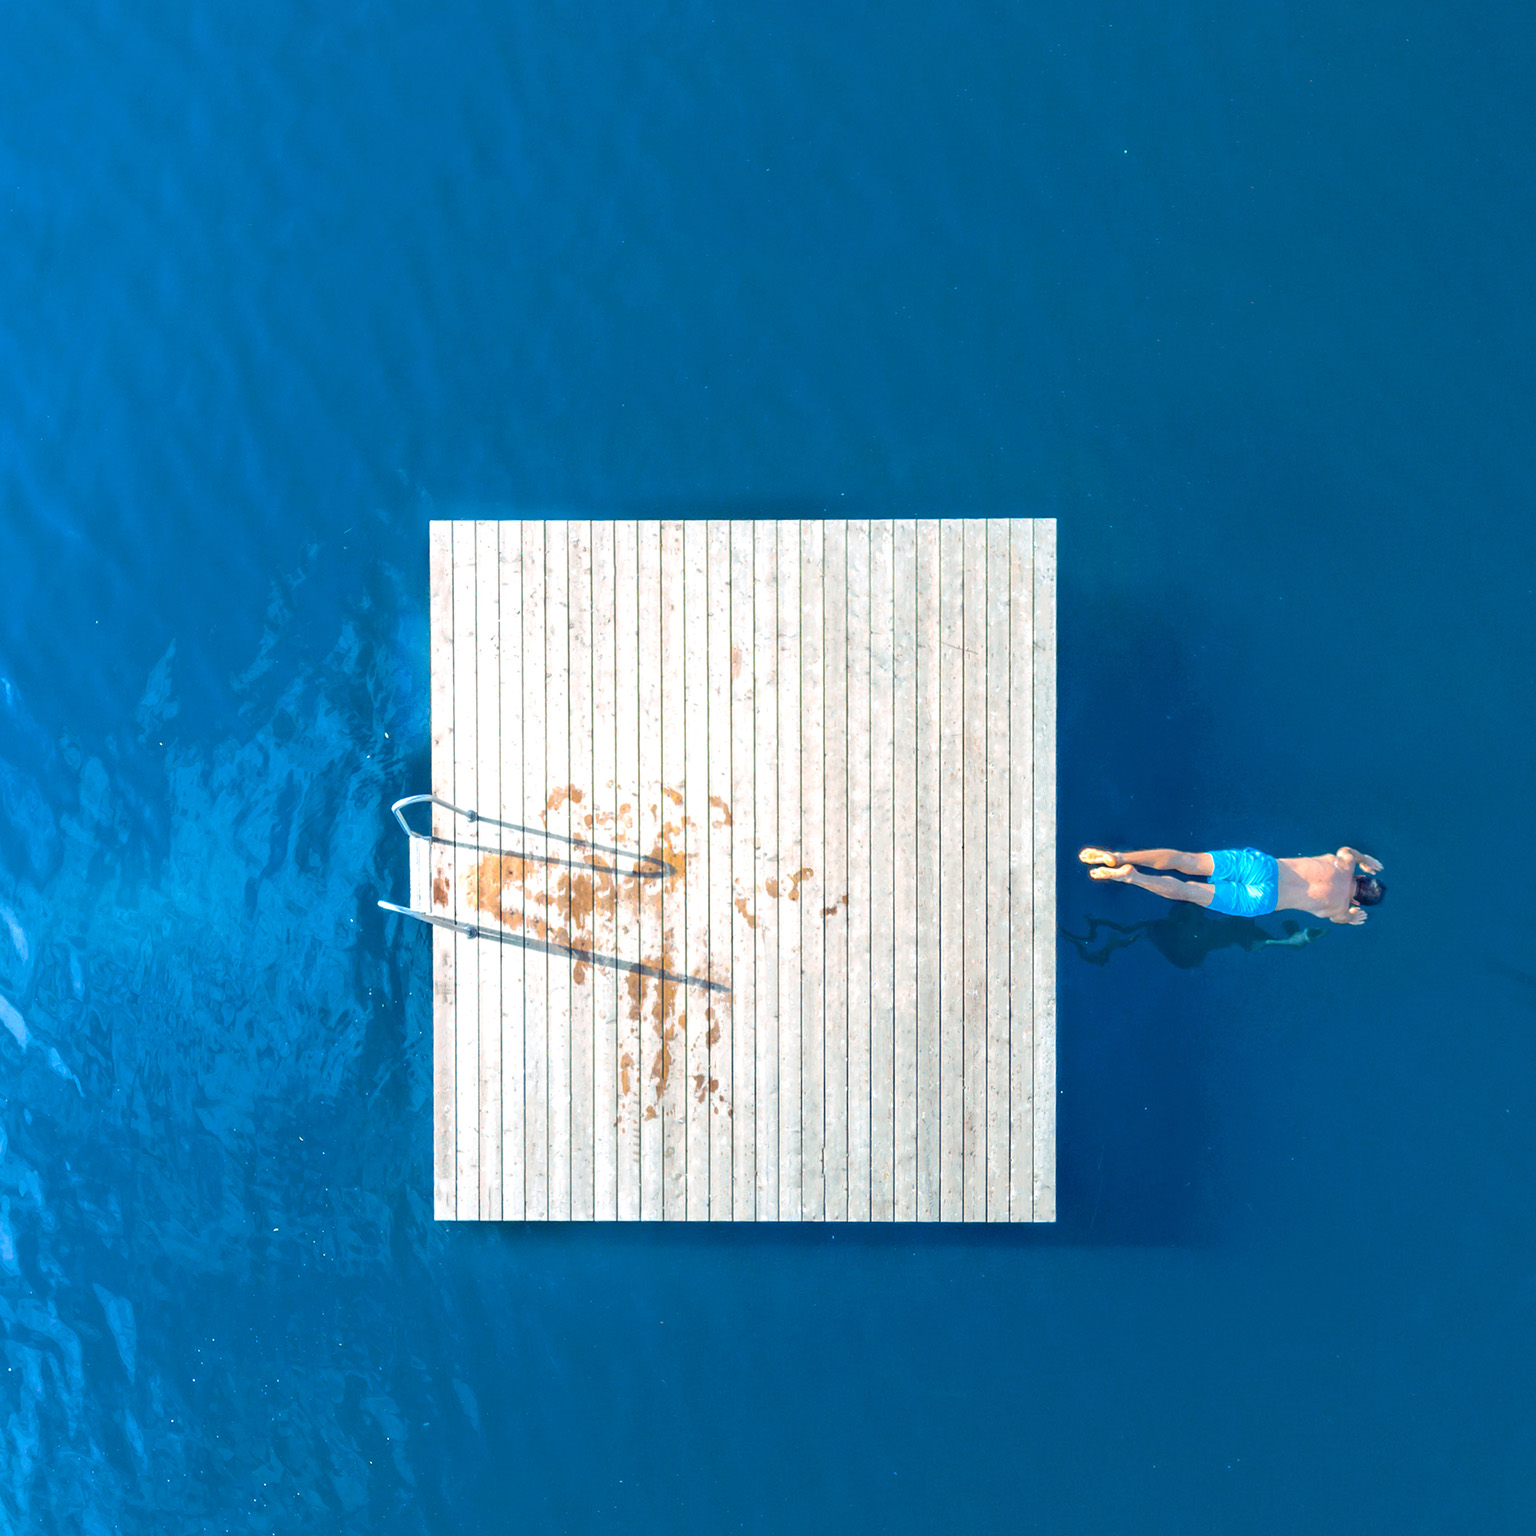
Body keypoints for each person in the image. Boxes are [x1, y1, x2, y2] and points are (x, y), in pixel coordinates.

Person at [1078, 845, 1385, 925]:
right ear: (1358, 899)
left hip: (1265, 868)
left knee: (1190, 861)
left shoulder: (1342, 862)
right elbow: (1344, 918)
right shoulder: (1340, 908)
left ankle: (1118, 856)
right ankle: (1132, 876)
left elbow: (1349, 851)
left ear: (1361, 877)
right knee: (1190, 892)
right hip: (1263, 901)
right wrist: (1352, 916)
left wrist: (1364, 858)